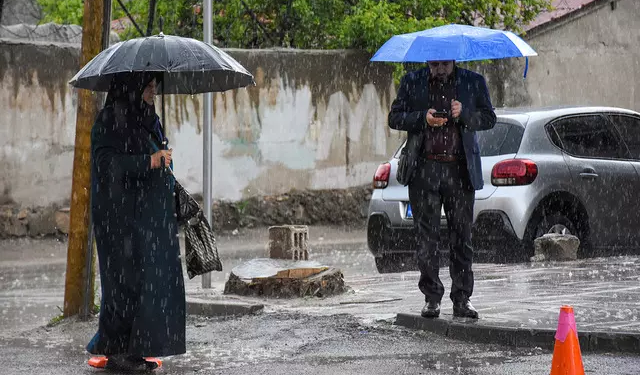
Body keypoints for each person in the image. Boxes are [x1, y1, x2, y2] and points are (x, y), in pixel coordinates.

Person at [87, 72, 185, 370]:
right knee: (123, 284)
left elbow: (153, 154)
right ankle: (119, 354)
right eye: (148, 88)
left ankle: (138, 349)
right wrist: (148, 161)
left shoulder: (147, 118)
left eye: (155, 87)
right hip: (118, 218)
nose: (153, 93)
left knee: (147, 283)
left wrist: (162, 157)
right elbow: (106, 164)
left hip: (146, 218)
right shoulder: (108, 121)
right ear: (130, 89)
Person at [388, 60, 496, 319]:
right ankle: (431, 298)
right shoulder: (413, 82)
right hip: (424, 170)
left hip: (459, 171)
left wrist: (465, 114)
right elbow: (394, 117)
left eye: (444, 64)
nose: (439, 69)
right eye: (434, 64)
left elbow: (489, 118)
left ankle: (462, 298)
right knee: (427, 238)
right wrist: (421, 118)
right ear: (428, 61)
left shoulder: (473, 82)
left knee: (462, 237)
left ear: (454, 61)